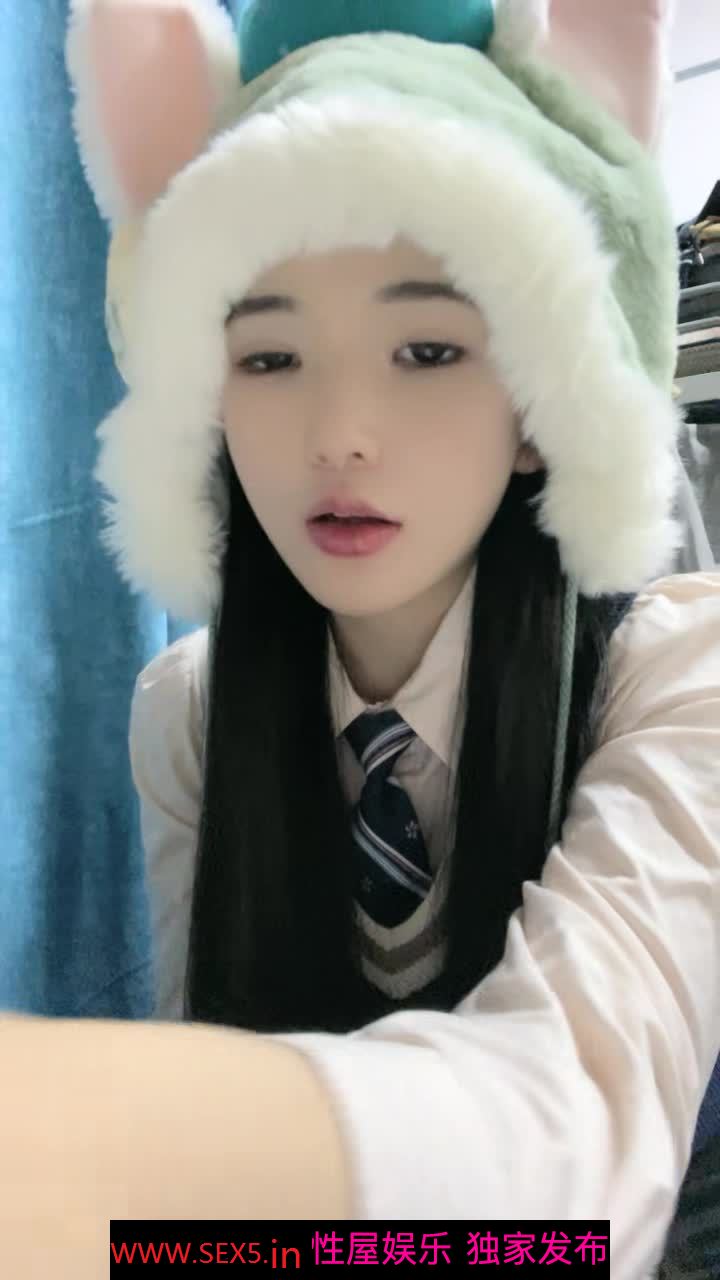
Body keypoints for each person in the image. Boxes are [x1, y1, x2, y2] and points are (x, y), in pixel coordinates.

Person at [1, 1, 718, 1277]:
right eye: (269, 355)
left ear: (543, 401)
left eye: (427, 347)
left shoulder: (678, 670)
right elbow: (218, 1074)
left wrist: (74, 1168)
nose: (339, 431)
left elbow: (582, 1167)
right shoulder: (189, 711)